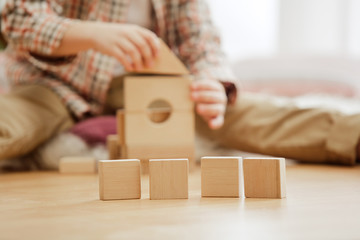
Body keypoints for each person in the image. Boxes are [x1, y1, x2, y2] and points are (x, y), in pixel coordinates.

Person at [0, 0, 359, 167]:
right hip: (52, 85)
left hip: (146, 86)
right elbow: (16, 17)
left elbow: (200, 40)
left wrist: (212, 84)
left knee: (250, 114)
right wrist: (89, 34)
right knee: (14, 121)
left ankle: (352, 135)